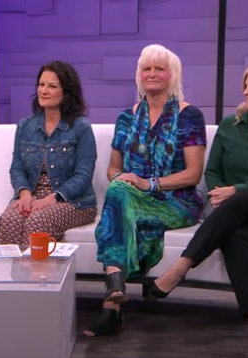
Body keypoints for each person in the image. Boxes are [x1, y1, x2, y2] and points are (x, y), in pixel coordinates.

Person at [150, 60, 248, 358]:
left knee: (240, 200)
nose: (246, 91)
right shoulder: (230, 125)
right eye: (246, 84)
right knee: (235, 237)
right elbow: (214, 172)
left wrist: (235, 192)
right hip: (236, 211)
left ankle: (182, 266)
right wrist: (222, 194)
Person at [83, 44, 207, 337]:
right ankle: (113, 296)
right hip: (132, 199)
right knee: (117, 191)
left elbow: (193, 174)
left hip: (177, 202)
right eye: (146, 69)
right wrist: (124, 179)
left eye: (159, 69)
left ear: (172, 75)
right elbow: (113, 168)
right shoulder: (127, 117)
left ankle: (112, 297)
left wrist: (147, 183)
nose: (152, 74)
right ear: (139, 75)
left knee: (118, 201)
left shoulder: (190, 116)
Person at [0, 60, 98, 251]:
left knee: (39, 219)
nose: (44, 91)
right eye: (41, 85)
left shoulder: (81, 127)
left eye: (52, 86)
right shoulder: (25, 126)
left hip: (72, 202)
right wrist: (24, 194)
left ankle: (37, 278)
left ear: (66, 92)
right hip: (31, 197)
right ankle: (12, 278)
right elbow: (16, 167)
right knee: (10, 219)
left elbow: (83, 176)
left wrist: (50, 200)